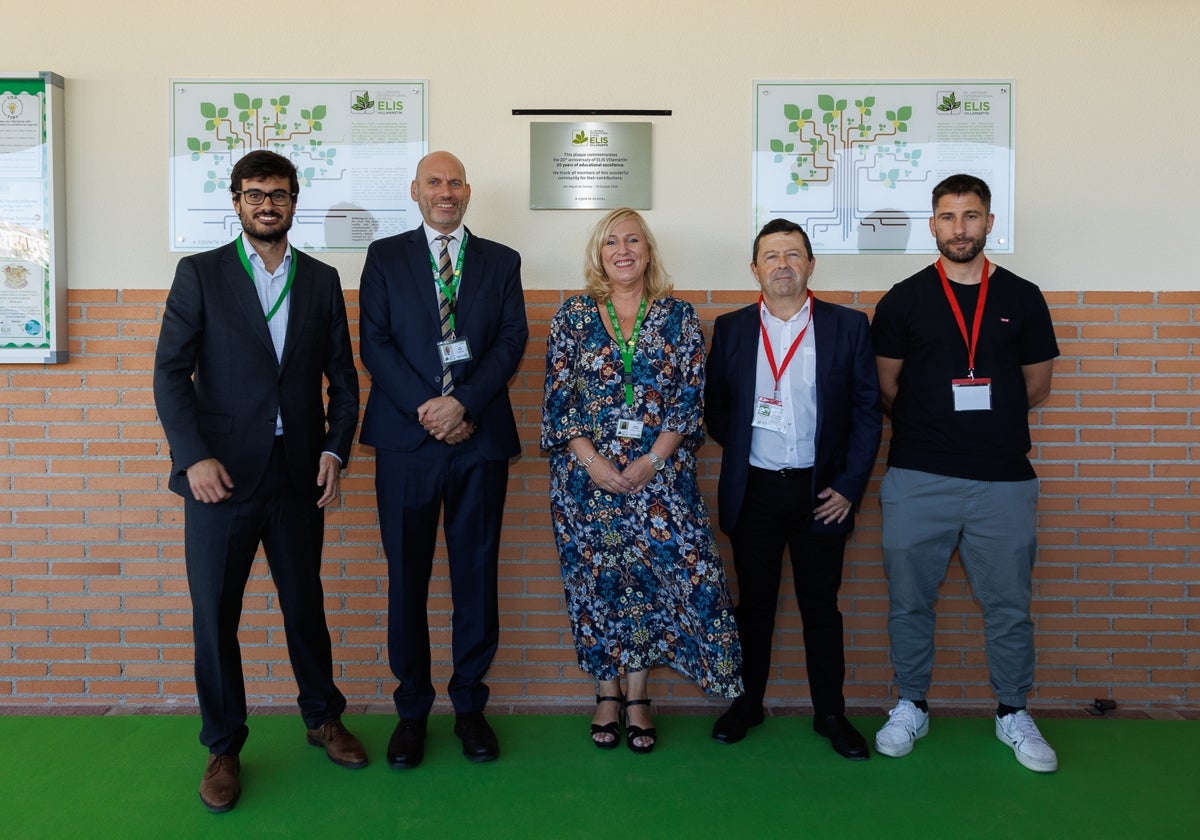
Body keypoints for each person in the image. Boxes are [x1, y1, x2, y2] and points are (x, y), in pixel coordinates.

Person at [153, 150, 364, 813]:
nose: (266, 203)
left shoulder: (323, 280)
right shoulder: (201, 275)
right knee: (216, 617)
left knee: (306, 606)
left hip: (298, 475)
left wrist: (335, 451)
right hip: (221, 481)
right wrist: (194, 458)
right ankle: (223, 747)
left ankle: (322, 717)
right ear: (237, 202)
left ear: (295, 201)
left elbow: (344, 380)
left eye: (277, 193)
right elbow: (169, 374)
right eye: (254, 194)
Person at [871, 174, 1060, 772]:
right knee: (909, 603)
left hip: (1003, 480)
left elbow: (1037, 385)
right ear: (932, 224)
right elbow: (886, 386)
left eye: (971, 216)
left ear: (989, 223)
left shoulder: (1023, 297)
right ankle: (910, 704)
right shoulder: (903, 299)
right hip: (918, 477)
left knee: (1008, 605)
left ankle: (1012, 711)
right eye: (949, 217)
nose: (960, 228)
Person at [541, 207, 742, 754]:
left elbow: (687, 401)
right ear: (598, 254)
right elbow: (559, 404)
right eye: (611, 242)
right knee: (598, 583)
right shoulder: (573, 315)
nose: (623, 249)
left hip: (662, 479)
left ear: (648, 251)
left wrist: (649, 462)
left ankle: (639, 696)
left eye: (633, 240)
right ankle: (607, 695)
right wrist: (596, 465)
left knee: (659, 583)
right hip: (586, 484)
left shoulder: (678, 317)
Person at [359, 151, 528, 769]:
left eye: (456, 181)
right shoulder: (385, 256)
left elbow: (513, 340)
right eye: (435, 181)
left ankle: (469, 707)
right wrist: (430, 409)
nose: (446, 191)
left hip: (478, 441)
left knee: (475, 578)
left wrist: (465, 407)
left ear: (469, 191)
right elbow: (373, 343)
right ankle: (411, 712)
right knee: (407, 579)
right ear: (415, 192)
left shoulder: (501, 261)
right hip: (407, 444)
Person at [705, 219, 882, 759]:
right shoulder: (732, 328)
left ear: (810, 264)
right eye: (771, 255)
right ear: (754, 268)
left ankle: (830, 713)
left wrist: (849, 486)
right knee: (753, 606)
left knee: (820, 608)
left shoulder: (848, 326)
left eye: (793, 254)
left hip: (821, 495)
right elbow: (717, 410)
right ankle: (746, 703)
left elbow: (867, 414)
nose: (782, 264)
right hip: (754, 490)